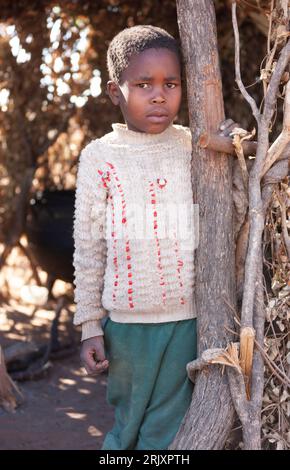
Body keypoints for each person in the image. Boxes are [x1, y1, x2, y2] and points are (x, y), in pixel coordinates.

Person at [73, 24, 235, 450]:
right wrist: (90, 324)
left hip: (188, 321)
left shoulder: (195, 146)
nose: (159, 95)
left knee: (166, 432)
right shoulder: (99, 157)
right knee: (126, 427)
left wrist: (234, 147)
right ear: (114, 91)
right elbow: (89, 248)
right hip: (124, 328)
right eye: (143, 84)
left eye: (171, 83)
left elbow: (232, 204)